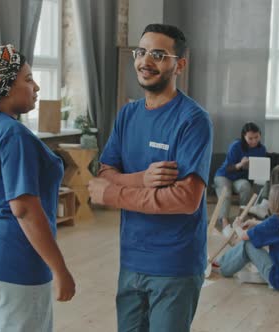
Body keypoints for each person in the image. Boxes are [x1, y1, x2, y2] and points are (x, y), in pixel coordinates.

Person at [88, 24, 213, 332]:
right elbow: (104, 174)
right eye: (141, 52)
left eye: (158, 55)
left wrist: (114, 193)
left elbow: (185, 199)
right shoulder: (127, 115)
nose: (146, 61)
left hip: (175, 265)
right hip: (131, 260)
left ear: (179, 65)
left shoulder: (193, 120)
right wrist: (142, 179)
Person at [0, 44, 75, 332]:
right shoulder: (13, 134)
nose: (35, 86)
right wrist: (59, 268)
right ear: (3, 86)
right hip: (15, 256)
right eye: (27, 79)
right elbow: (24, 209)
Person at [214, 183, 279, 291]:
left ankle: (221, 267)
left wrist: (236, 227)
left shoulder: (275, 221)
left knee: (248, 244)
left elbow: (244, 236)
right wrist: (255, 223)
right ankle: (220, 263)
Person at [214, 122, 267, 229]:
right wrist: (240, 165)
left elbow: (258, 170)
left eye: (256, 137)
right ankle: (224, 221)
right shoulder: (236, 146)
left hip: (239, 179)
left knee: (246, 186)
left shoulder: (262, 149)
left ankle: (241, 217)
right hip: (224, 175)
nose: (254, 141)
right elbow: (228, 168)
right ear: (244, 136)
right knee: (226, 192)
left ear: (260, 135)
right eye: (250, 138)